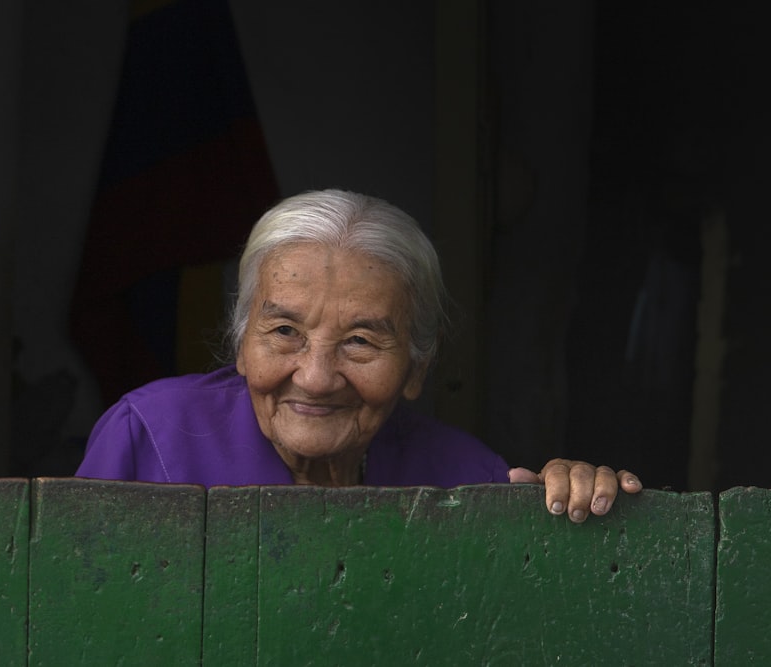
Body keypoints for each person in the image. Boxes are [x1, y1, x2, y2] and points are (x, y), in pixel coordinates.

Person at [76, 189, 641, 522]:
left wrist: (576, 506)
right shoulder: (147, 437)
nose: (317, 377)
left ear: (418, 366)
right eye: (284, 331)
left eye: (360, 342)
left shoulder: (468, 481)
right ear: (241, 343)